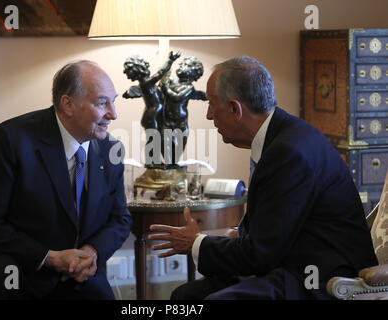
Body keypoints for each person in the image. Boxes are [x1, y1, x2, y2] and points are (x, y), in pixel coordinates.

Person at [148, 56, 377, 300]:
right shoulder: (278, 136)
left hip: (321, 278)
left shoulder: (287, 152)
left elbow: (259, 254)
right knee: (186, 296)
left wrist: (196, 243)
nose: (208, 115)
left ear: (235, 109)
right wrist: (232, 237)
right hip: (290, 260)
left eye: (212, 105)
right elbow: (273, 227)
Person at [0, 60, 132, 299]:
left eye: (114, 101)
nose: (113, 114)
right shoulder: (10, 140)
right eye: (102, 103)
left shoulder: (110, 150)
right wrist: (50, 257)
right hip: (5, 255)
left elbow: (120, 218)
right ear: (68, 104)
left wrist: (91, 252)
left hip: (70, 264)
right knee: (7, 282)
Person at [123, 51, 181, 167]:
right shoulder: (146, 83)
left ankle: (156, 160)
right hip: (152, 116)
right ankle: (150, 162)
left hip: (157, 115)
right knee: (154, 139)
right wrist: (171, 60)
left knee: (158, 138)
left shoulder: (150, 84)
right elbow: (160, 73)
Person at [160, 56, 207, 165]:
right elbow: (163, 80)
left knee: (181, 142)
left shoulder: (189, 87)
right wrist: (168, 64)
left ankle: (174, 162)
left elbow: (177, 97)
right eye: (181, 64)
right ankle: (168, 163)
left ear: (193, 73)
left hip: (181, 121)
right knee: (164, 141)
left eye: (185, 65)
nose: (181, 66)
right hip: (167, 120)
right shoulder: (171, 81)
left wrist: (165, 88)